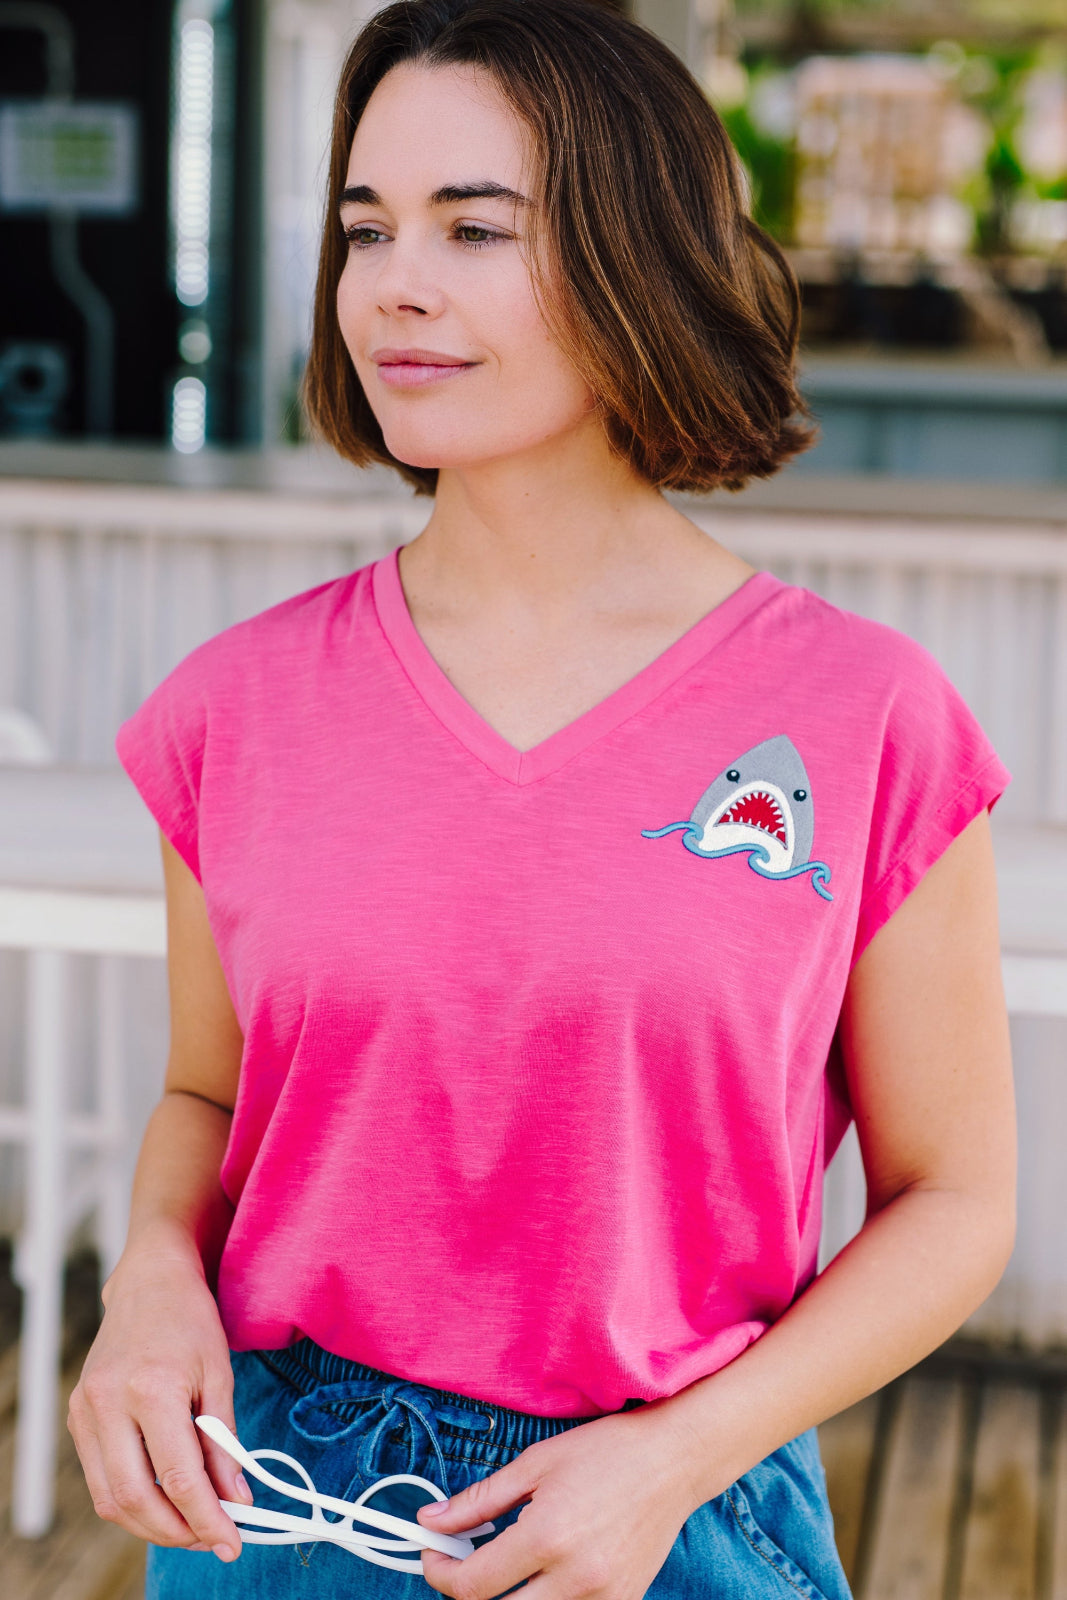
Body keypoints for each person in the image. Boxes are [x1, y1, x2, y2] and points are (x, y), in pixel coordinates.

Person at [68, 2, 1017, 1597]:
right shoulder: (236, 710)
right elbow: (210, 1108)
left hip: (673, 1512)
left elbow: (958, 1197)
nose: (395, 286)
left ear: (638, 257)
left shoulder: (865, 720)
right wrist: (148, 1287)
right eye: (366, 229)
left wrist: (681, 1455)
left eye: (474, 228)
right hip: (282, 1524)